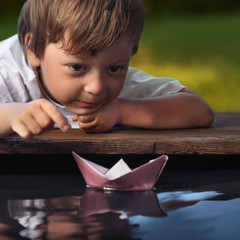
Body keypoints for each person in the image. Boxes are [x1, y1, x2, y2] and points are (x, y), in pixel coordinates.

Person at [0, 0, 214, 139]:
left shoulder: (114, 81)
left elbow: (199, 111)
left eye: (114, 68)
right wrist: (13, 115)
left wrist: (121, 111)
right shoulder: (7, 71)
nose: (96, 87)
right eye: (77, 67)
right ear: (34, 50)